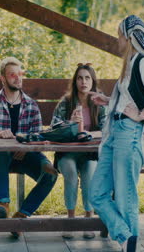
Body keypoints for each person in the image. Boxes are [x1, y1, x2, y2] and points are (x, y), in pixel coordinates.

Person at [89, 15, 144, 252]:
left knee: (125, 197)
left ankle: (129, 245)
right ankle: (125, 237)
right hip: (115, 132)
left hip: (129, 133)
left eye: (119, 35)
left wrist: (141, 115)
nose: (118, 40)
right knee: (97, 194)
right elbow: (127, 98)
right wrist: (107, 100)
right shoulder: (131, 63)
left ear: (130, 37)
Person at [0, 57, 58, 238]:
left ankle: (21, 217)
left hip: (26, 155)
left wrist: (27, 146)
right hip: (2, 157)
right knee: (0, 151)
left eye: (20, 74)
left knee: (51, 174)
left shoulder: (30, 105)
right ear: (3, 78)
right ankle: (2, 205)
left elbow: (38, 134)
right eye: (12, 75)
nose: (18, 78)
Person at [50, 63, 106, 240]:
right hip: (68, 152)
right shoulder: (66, 103)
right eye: (80, 78)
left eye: (87, 78)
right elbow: (53, 128)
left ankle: (88, 220)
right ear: (75, 82)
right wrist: (70, 124)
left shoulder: (99, 102)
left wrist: (89, 133)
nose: (83, 81)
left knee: (89, 173)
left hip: (90, 152)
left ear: (93, 81)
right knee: (71, 174)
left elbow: (107, 129)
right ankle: (71, 220)